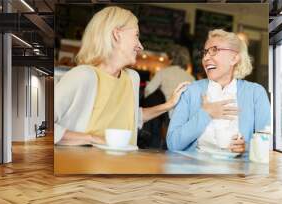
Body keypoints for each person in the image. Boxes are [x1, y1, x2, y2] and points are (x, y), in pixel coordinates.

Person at [54, 6, 188, 146]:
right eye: (136, 35)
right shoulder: (83, 76)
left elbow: (132, 117)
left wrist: (169, 104)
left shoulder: (131, 78)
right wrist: (91, 139)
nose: (140, 46)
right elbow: (37, 123)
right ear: (117, 34)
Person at [167, 29, 270, 157]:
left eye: (214, 50)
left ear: (234, 58)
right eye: (205, 52)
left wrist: (247, 147)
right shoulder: (191, 91)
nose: (205, 58)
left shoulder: (256, 93)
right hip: (195, 170)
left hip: (239, 174)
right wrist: (206, 113)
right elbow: (173, 143)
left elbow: (268, 141)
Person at [144, 44, 195, 117]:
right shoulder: (191, 78)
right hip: (185, 117)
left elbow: (148, 91)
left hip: (166, 116)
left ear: (171, 58)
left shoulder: (163, 72)